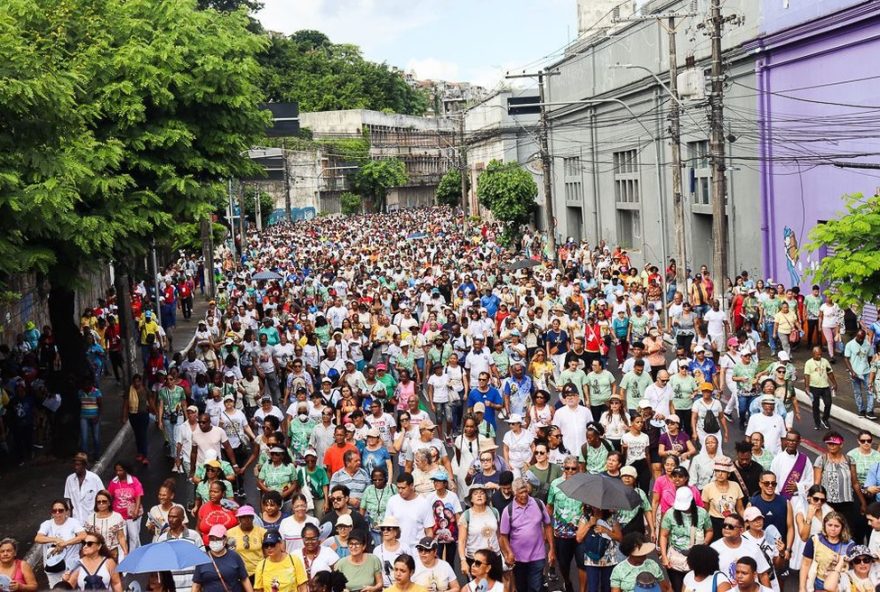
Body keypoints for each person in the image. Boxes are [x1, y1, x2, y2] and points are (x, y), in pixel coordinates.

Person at [499, 477, 555, 592]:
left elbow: (548, 525)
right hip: (518, 558)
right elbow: (503, 536)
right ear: (514, 493)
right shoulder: (508, 511)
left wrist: (551, 549)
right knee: (521, 587)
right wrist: (508, 553)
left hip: (537, 555)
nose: (524, 495)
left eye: (525, 491)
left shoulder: (538, 503)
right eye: (520, 493)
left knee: (535, 587)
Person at [814, 431, 867, 545]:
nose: (831, 446)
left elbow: (855, 483)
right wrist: (816, 502)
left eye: (834, 444)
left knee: (847, 533)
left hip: (847, 504)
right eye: (829, 444)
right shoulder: (821, 460)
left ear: (841, 444)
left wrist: (863, 502)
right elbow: (817, 483)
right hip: (828, 504)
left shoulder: (849, 460)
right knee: (829, 532)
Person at [659, 487, 714, 592]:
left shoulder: (702, 513)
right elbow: (663, 535)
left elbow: (709, 530)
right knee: (678, 587)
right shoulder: (670, 514)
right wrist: (664, 556)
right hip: (676, 557)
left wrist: (704, 543)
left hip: (696, 558)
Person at [547, 456, 585, 592]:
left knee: (582, 564)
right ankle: (567, 582)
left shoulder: (583, 484)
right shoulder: (555, 484)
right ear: (563, 468)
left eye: (573, 468)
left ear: (578, 469)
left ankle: (582, 590)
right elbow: (550, 506)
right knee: (563, 564)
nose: (570, 471)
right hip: (561, 533)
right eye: (567, 468)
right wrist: (547, 527)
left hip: (580, 533)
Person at [710, 514, 771, 587]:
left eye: (731, 526)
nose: (726, 528)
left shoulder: (753, 547)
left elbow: (763, 575)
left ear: (741, 530)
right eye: (724, 525)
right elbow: (709, 576)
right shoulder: (714, 548)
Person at [800, 511, 854, 592]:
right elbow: (805, 564)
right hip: (817, 583)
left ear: (842, 527)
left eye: (837, 526)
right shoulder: (815, 540)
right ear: (824, 525)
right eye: (830, 525)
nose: (833, 529)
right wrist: (802, 588)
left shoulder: (850, 545)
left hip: (839, 585)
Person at [192, 525, 253, 592]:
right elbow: (196, 584)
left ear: (225, 540)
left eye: (218, 539)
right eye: (212, 539)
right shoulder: (202, 558)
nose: (214, 541)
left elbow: (244, 579)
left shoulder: (234, 556)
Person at [384, 472, 432, 549]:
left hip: (417, 551)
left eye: (403, 488)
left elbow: (429, 531)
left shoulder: (424, 503)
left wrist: (427, 550)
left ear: (411, 486)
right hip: (396, 550)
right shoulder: (392, 501)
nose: (400, 491)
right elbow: (386, 528)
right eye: (398, 488)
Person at [84, 490, 128, 561]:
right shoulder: (90, 518)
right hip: (96, 553)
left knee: (113, 571)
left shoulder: (117, 517)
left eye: (104, 501)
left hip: (113, 552)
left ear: (109, 503)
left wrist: (125, 552)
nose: (101, 504)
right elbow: (86, 537)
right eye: (99, 502)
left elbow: (121, 536)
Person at [64, 452, 104, 525]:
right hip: (76, 521)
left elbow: (103, 498)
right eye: (75, 464)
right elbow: (69, 501)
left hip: (93, 521)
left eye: (78, 465)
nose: (76, 467)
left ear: (85, 465)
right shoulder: (69, 479)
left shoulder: (95, 479)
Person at [804, 347, 837, 431]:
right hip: (813, 387)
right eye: (818, 354)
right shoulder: (809, 363)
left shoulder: (825, 361)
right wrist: (807, 387)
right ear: (813, 354)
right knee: (815, 406)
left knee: (828, 403)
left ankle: (825, 418)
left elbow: (830, 372)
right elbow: (806, 375)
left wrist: (834, 383)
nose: (819, 356)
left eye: (820, 354)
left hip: (825, 386)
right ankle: (817, 423)